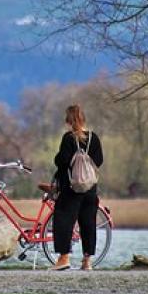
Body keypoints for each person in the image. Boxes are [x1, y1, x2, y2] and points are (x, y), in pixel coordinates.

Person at [51, 104, 103, 270]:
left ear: (68, 121)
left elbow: (62, 162)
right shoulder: (94, 138)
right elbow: (99, 161)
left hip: (71, 189)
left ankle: (64, 258)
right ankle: (87, 261)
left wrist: (58, 158)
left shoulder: (68, 138)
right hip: (90, 189)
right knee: (88, 223)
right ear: (83, 119)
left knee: (63, 220)